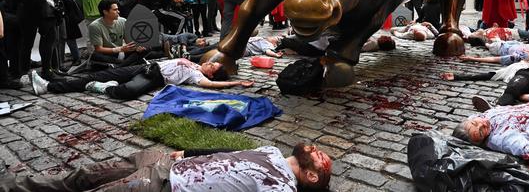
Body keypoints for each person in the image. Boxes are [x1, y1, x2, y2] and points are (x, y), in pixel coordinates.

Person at [0, 143, 332, 192]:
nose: (319, 150)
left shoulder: (280, 188)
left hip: (162, 186)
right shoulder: (272, 150)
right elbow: (228, 150)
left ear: (312, 176)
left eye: (321, 159)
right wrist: (186, 150)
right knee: (84, 174)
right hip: (165, 160)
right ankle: (15, 183)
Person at [31, 57, 254, 99]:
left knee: (127, 92)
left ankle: (102, 88)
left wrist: (236, 83)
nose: (209, 62)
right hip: (146, 66)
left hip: (154, 77)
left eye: (212, 65)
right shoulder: (196, 63)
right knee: (100, 73)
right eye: (211, 61)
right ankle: (49, 86)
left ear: (211, 72)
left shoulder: (197, 76)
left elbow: (213, 85)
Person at [88, 0, 149, 67]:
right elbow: (99, 49)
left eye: (117, 9)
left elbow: (128, 41)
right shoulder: (95, 26)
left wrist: (137, 47)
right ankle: (127, 63)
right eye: (115, 10)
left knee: (146, 47)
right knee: (95, 55)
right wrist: (119, 49)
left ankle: (120, 65)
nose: (118, 11)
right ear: (105, 12)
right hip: (108, 54)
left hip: (122, 52)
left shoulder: (123, 21)